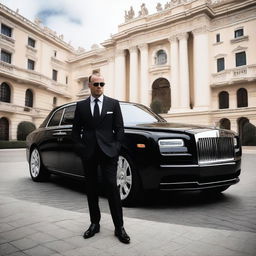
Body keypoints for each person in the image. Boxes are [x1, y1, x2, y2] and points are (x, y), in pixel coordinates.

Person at [72, 73, 130, 244]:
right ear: (89, 85)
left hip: (108, 153)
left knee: (112, 188)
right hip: (89, 153)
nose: (99, 86)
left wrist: (116, 147)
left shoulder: (113, 103)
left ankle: (119, 227)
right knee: (91, 189)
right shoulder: (81, 106)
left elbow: (119, 128)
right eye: (96, 84)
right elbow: (75, 132)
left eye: (102, 84)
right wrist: (81, 149)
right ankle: (94, 223)